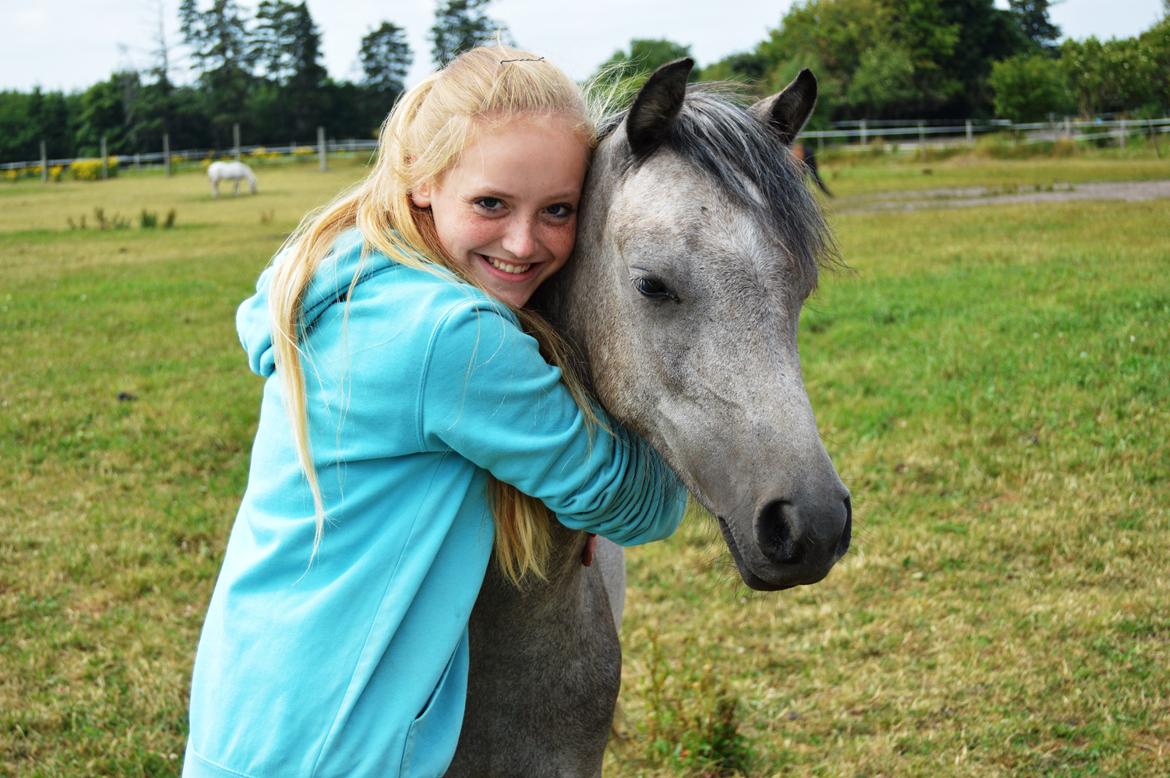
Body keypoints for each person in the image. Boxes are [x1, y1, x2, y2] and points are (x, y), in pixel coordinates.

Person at [182, 45, 687, 778]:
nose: (523, 242)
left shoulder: (349, 271)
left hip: (253, 712)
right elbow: (636, 506)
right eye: (491, 204)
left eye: (558, 211)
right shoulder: (449, 335)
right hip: (342, 744)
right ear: (423, 182)